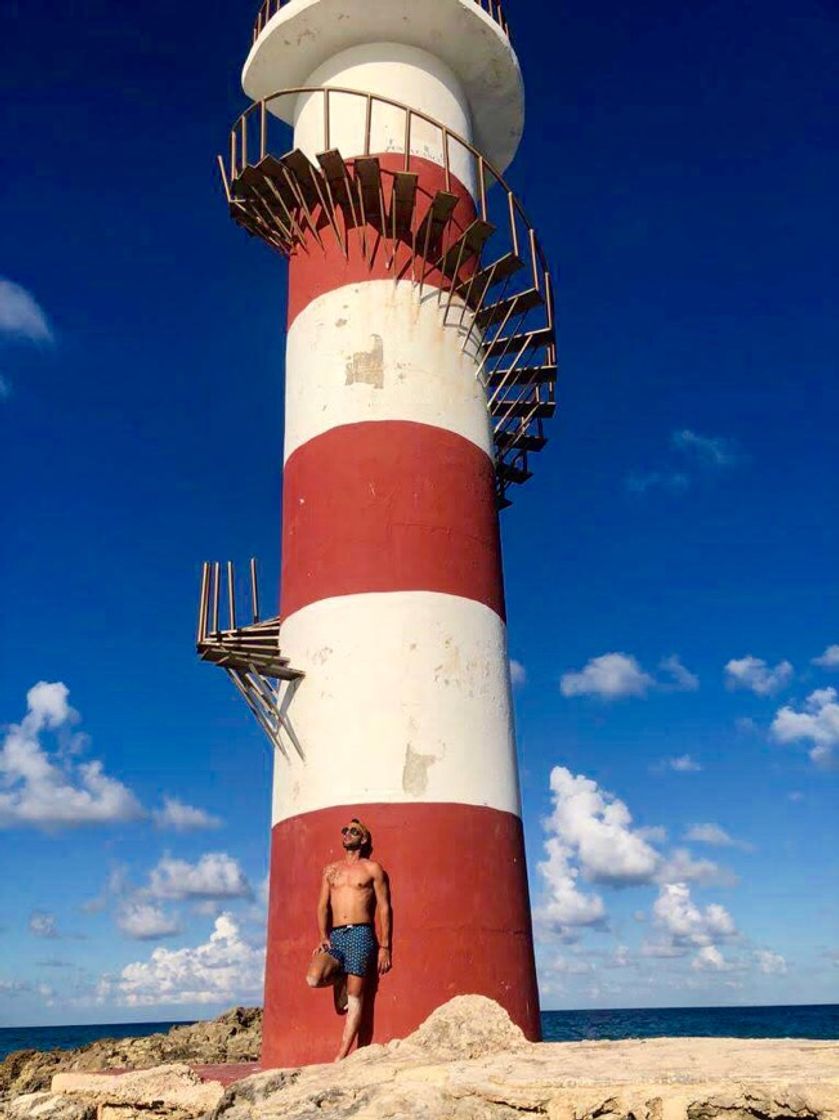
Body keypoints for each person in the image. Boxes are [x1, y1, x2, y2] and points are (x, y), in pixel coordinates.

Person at [305, 818, 392, 1060]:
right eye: (345, 830)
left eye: (354, 831)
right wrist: (322, 935)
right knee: (313, 977)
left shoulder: (372, 869)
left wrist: (385, 946)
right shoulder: (331, 870)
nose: (347, 834)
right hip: (335, 935)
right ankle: (339, 976)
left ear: (363, 839)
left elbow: (384, 908)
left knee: (356, 997)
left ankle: (341, 1056)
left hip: (361, 933)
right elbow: (322, 906)